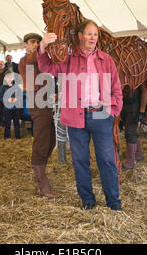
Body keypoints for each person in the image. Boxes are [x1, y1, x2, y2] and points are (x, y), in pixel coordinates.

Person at [37, 19, 123, 211]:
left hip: (101, 115)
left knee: (107, 159)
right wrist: (42, 47)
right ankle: (87, 200)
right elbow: (46, 68)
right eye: (89, 34)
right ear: (80, 36)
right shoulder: (68, 59)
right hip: (75, 117)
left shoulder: (106, 60)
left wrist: (113, 112)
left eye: (95, 34)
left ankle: (113, 201)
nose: (93, 38)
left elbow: (117, 88)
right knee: (80, 160)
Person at [19, 33, 57, 198]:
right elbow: (32, 61)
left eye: (37, 42)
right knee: (42, 140)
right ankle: (41, 184)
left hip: (45, 98)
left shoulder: (40, 59)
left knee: (50, 140)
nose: (35, 45)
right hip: (36, 99)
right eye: (32, 42)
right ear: (25, 45)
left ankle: (42, 175)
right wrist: (43, 46)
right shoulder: (24, 60)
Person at [0, 73, 21, 140]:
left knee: (16, 122)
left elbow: (20, 96)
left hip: (16, 108)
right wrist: (6, 100)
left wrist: (16, 99)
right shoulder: (2, 87)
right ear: (5, 78)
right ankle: (7, 136)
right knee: (7, 123)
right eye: (8, 77)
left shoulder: (16, 86)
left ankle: (17, 136)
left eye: (11, 77)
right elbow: (0, 97)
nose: (9, 79)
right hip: (7, 108)